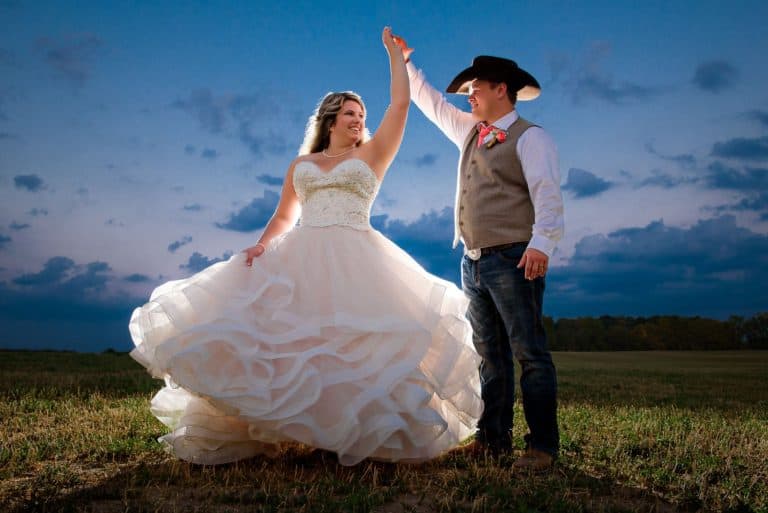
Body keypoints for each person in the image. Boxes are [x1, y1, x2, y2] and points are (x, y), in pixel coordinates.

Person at [129, 27, 482, 466]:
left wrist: (395, 56)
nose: (358, 119)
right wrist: (260, 249)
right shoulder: (303, 164)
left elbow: (401, 104)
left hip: (358, 256)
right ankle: (286, 429)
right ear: (331, 119)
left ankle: (348, 437)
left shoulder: (373, 154)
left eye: (361, 113)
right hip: (301, 253)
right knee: (290, 345)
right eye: (350, 113)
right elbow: (283, 216)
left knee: (351, 345)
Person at [392, 35, 564, 470]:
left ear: (500, 89)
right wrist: (406, 62)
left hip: (514, 258)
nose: (469, 96)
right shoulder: (470, 131)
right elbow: (429, 103)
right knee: (489, 354)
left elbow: (547, 194)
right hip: (472, 260)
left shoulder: (531, 138)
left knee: (529, 352)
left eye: (475, 89)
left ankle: (542, 448)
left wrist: (542, 244)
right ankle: (493, 441)